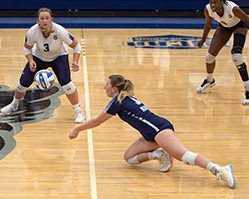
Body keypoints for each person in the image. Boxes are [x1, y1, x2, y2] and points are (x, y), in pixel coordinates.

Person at [69, 74, 236, 189]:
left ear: (114, 89)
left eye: (107, 84)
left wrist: (77, 129)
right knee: (130, 159)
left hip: (160, 130)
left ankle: (220, 170)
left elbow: (97, 121)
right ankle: (160, 155)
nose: (104, 87)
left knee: (184, 156)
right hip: (150, 135)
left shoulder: (118, 102)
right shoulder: (124, 98)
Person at [1, 7, 85, 124]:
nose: (44, 21)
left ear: (51, 19)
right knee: (23, 82)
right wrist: (30, 61)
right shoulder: (32, 32)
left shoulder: (60, 30)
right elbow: (27, 47)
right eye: (42, 18)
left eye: (46, 18)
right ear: (38, 20)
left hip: (58, 56)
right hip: (39, 57)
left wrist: (75, 61)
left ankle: (78, 110)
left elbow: (77, 46)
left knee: (66, 83)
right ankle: (14, 104)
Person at [196, 0, 249, 105]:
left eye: (216, 2)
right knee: (209, 57)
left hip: (239, 25)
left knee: (236, 57)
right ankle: (209, 80)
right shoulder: (208, 9)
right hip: (224, 27)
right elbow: (208, 24)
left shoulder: (233, 9)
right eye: (211, 2)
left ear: (222, 2)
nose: (212, 5)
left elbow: (248, 20)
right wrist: (203, 39)